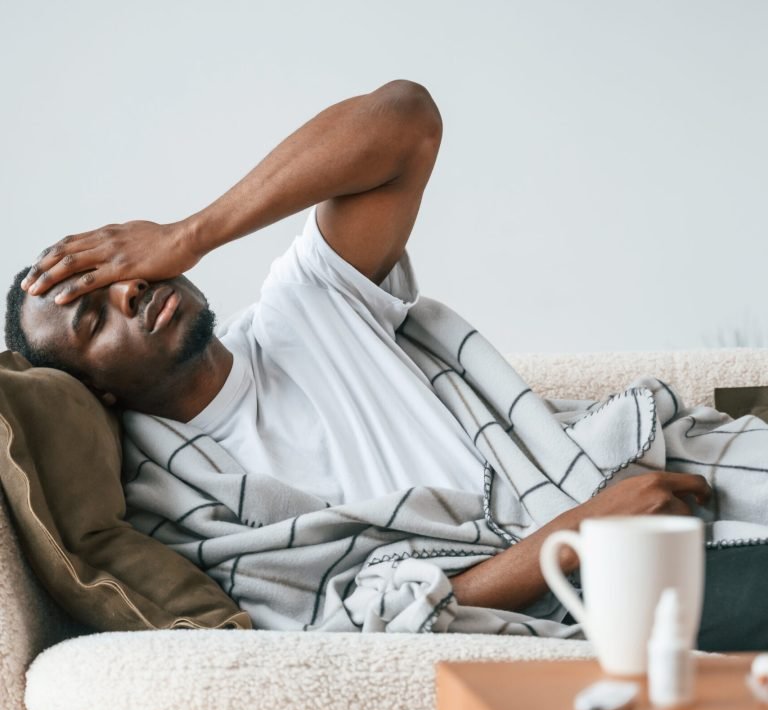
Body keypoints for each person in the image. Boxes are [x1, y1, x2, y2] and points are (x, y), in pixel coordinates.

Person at [6, 80, 747, 638]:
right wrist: (575, 534)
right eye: (95, 315)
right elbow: (341, 631)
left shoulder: (306, 308)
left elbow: (406, 118)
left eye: (118, 267)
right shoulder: (178, 508)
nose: (132, 289)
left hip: (660, 479)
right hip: (588, 575)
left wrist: (193, 232)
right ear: (93, 391)